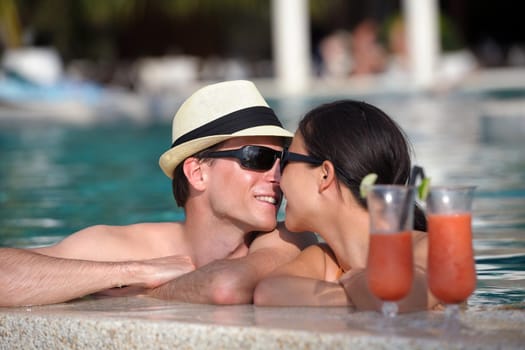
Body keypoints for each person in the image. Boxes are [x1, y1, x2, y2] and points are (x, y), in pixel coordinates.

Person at [0, 80, 317, 307]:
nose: (277, 176)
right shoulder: (129, 247)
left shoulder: (288, 238)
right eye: (258, 158)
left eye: (283, 160)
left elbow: (225, 287)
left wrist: (143, 292)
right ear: (197, 172)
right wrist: (133, 271)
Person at [253, 100, 438, 311]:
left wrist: (353, 282)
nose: (278, 176)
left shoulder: (426, 246)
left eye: (286, 160)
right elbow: (269, 292)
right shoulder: (326, 260)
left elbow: (403, 297)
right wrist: (362, 294)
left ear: (325, 175)